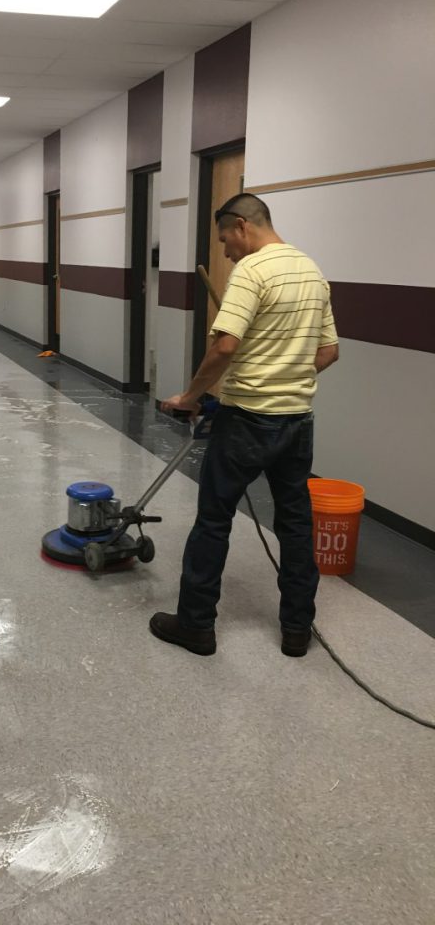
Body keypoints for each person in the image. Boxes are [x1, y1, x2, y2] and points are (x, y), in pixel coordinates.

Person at [149, 193, 339, 658]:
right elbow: (329, 352)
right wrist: (286, 373)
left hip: (246, 422)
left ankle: (196, 626)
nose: (227, 252)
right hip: (296, 422)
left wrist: (189, 397)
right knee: (294, 526)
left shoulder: (252, 272)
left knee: (213, 522)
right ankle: (297, 631)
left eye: (226, 241)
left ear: (241, 225)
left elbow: (225, 347)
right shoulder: (312, 272)